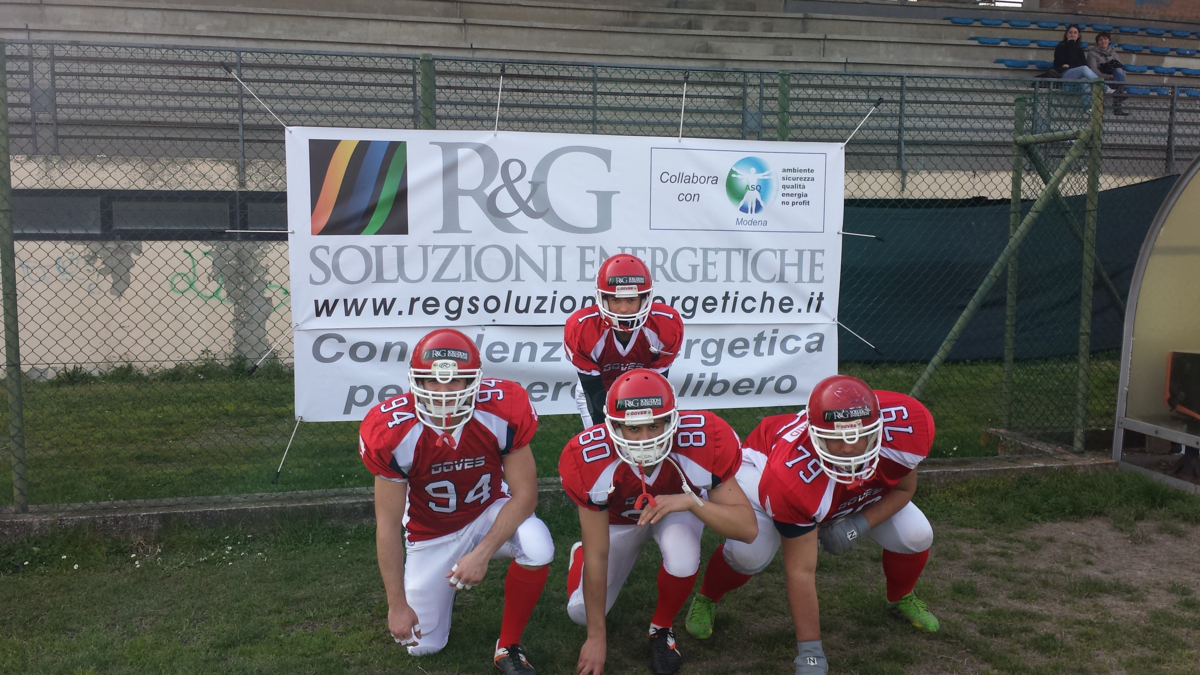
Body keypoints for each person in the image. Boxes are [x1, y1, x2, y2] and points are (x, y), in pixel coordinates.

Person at [684, 375, 938, 674]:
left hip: (841, 488)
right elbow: (801, 571)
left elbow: (904, 489)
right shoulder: (789, 477)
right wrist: (811, 653)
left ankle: (901, 597)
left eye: (858, 435)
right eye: (836, 438)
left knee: (917, 534)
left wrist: (858, 525)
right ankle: (707, 598)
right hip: (763, 469)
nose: (848, 448)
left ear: (878, 427)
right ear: (814, 434)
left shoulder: (908, 426)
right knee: (749, 555)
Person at [358, 328, 553, 675]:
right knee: (422, 646)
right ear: (417, 381)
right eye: (434, 381)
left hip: (488, 512)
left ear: (473, 382)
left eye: (455, 382)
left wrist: (481, 554)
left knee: (537, 544)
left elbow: (525, 496)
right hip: (430, 533)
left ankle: (508, 645)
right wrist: (396, 604)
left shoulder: (502, 410)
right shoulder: (393, 431)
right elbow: (386, 526)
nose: (444, 392)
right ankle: (439, 591)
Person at [558, 369, 758, 675]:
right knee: (581, 614)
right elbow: (599, 554)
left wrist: (690, 501)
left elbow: (747, 528)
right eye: (634, 428)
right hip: (618, 522)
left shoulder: (702, 440)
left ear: (671, 420)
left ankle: (661, 628)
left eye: (654, 425)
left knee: (683, 556)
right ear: (614, 426)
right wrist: (596, 637)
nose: (646, 439)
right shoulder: (590, 458)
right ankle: (578, 555)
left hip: (675, 509)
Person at [565, 253, 684, 428]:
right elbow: (595, 397)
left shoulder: (665, 325)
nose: (623, 309)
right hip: (600, 391)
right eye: (615, 300)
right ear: (603, 299)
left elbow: (654, 387)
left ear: (644, 299)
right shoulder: (583, 328)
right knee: (604, 438)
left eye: (631, 300)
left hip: (644, 391)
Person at [1087, 31, 1129, 116]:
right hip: (1100, 80)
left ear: (1109, 41)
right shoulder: (1092, 53)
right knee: (1119, 86)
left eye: (1105, 39)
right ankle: (1118, 101)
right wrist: (1109, 77)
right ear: (1097, 42)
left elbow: (1120, 69)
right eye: (1100, 39)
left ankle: (1118, 97)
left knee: (1119, 71)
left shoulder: (1114, 53)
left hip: (1114, 81)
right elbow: (1093, 70)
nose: (1103, 41)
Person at [1054, 24, 1108, 88]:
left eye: (1075, 33)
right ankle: (1104, 87)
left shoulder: (1079, 50)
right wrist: (1071, 43)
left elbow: (1083, 63)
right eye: (1070, 32)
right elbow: (1060, 63)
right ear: (1066, 35)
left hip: (1077, 75)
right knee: (1084, 68)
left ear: (1078, 35)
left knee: (1084, 81)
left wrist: (1070, 65)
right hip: (1064, 74)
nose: (1072, 35)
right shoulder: (1060, 47)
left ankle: (1090, 95)